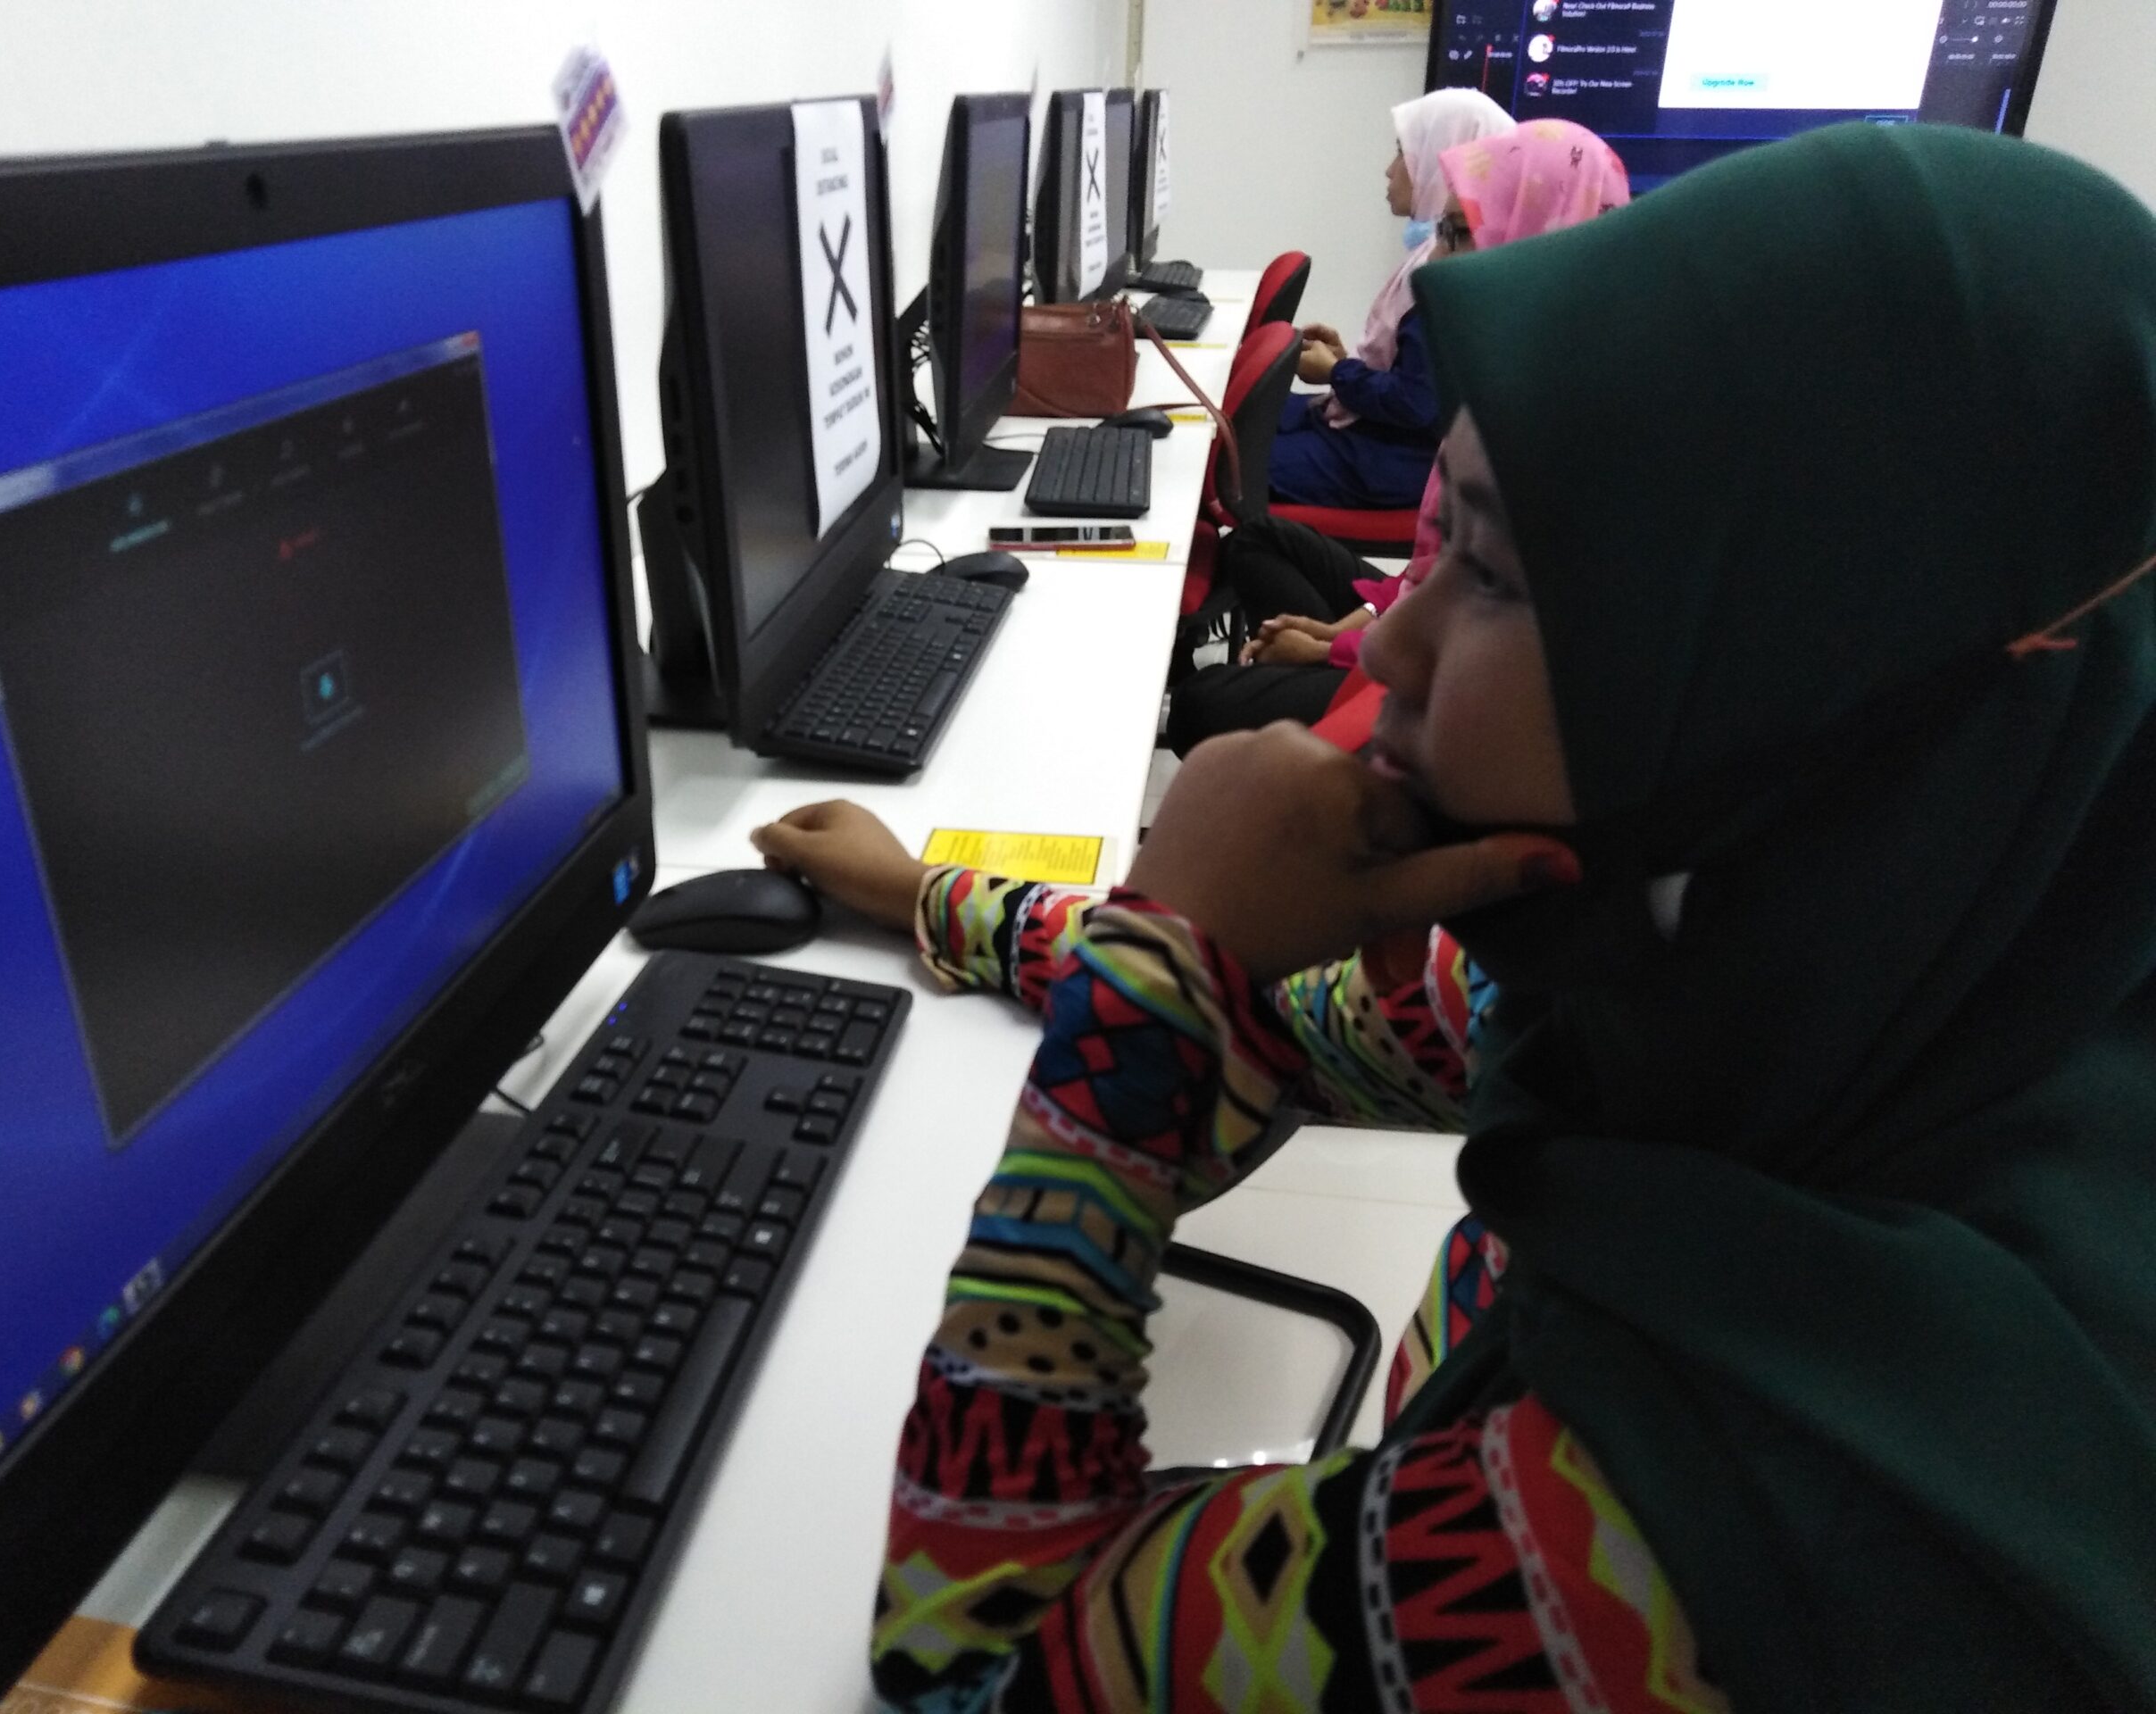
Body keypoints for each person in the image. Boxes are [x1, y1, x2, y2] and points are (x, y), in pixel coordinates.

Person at [770, 123, 2156, 1710]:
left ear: (1788, 683)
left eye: (1490, 572)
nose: (1387, 648)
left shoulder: (1693, 1544)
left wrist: (1151, 988)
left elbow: (974, 1650)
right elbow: (1331, 1018)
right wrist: (935, 898)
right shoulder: (1827, 962)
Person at [1171, 120, 1631, 754]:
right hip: (1417, 614)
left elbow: (1465, 636)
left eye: (1458, 233)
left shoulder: (1548, 427)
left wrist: (1334, 649)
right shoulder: (1520, 371)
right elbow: (1434, 574)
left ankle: (1303, 698)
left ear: (1535, 241)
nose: (1436, 258)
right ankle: (1290, 680)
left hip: (1450, 689)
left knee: (1200, 703)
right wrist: (1342, 629)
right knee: (1257, 538)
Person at [1266, 87, 1511, 511]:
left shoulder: (1451, 271)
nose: (1389, 170)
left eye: (1404, 153)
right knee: (1236, 425)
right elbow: (1417, 376)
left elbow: (1416, 403)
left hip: (1396, 459)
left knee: (1227, 462)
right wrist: (1348, 365)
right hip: (1387, 439)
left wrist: (1339, 372)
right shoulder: (1443, 252)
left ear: (1443, 159)